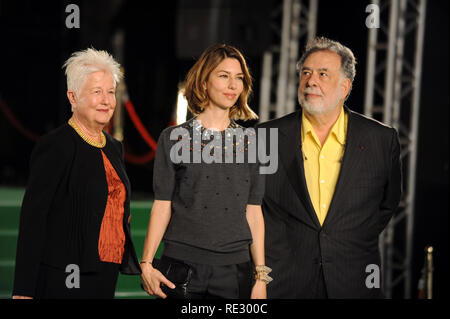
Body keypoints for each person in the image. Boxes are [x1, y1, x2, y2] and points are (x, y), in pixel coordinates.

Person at [257, 37, 402, 298]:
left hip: (353, 282)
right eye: (306, 73)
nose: (311, 81)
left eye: (323, 74)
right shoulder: (266, 137)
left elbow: (387, 204)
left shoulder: (381, 139)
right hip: (284, 283)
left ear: (344, 87)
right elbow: (253, 207)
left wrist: (346, 238)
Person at [140, 44, 269, 299]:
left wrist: (261, 276)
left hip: (235, 271)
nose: (233, 85)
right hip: (180, 267)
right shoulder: (174, 138)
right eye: (223, 76)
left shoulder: (253, 142)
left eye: (239, 78)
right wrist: (146, 263)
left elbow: (254, 211)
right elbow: (162, 204)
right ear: (203, 82)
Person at [12, 48, 141, 299]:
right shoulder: (56, 146)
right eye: (96, 92)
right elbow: (33, 220)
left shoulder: (114, 148)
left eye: (110, 92)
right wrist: (23, 291)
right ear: (73, 97)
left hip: (106, 271)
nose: (106, 100)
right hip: (65, 276)